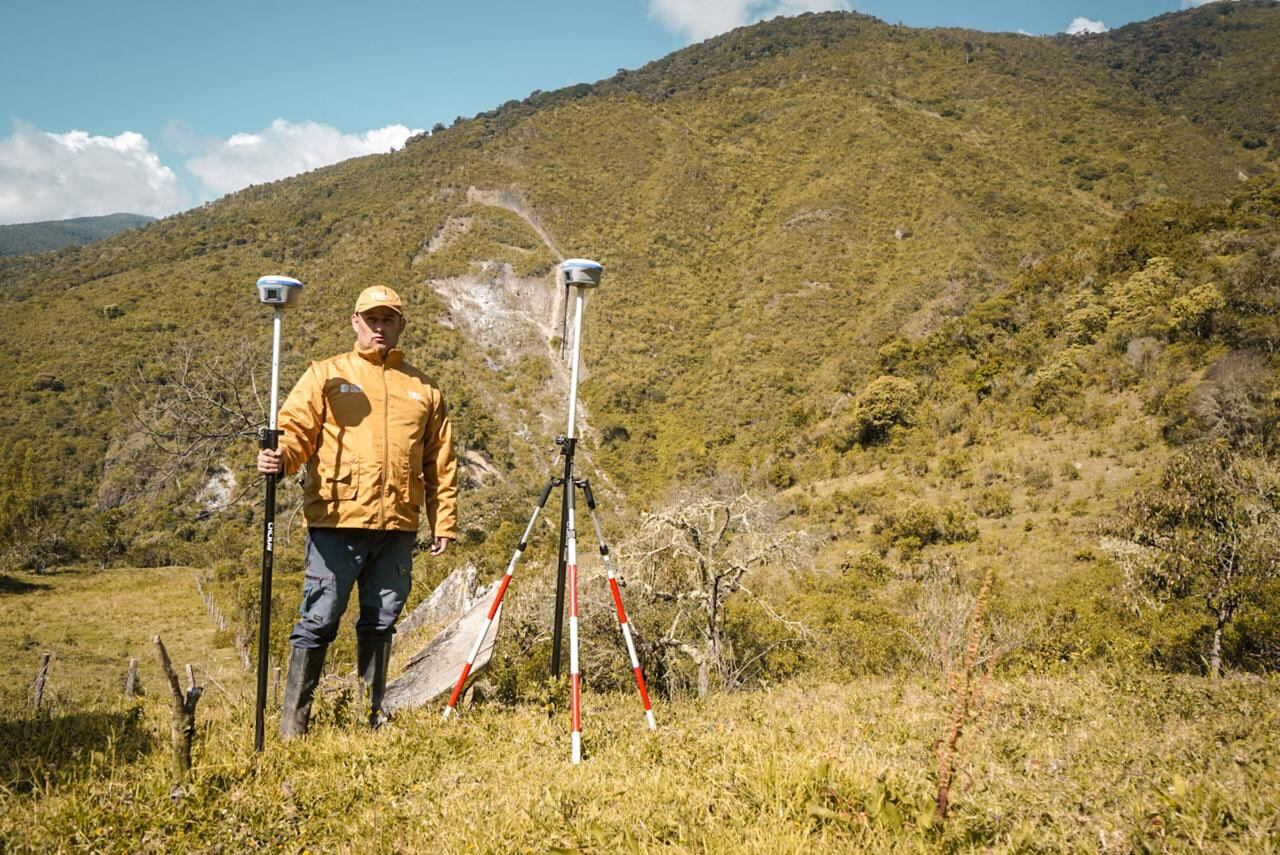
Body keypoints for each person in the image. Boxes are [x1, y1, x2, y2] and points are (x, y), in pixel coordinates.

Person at [257, 285, 457, 736]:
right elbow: (294, 432)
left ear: (401, 324)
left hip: (398, 527)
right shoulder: (325, 375)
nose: (379, 327)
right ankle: (294, 726)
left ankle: (370, 715)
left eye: (388, 319)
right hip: (336, 522)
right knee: (318, 621)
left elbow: (439, 462)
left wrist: (442, 520)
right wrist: (280, 458)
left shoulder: (424, 389)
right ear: (355, 322)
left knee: (381, 623)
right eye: (372, 319)